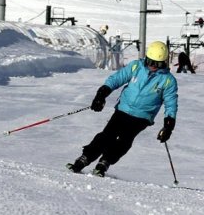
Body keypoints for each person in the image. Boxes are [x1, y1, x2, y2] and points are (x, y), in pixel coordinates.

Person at [66, 41, 178, 177]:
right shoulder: (136, 67)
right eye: (150, 62)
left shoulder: (168, 80)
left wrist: (168, 125)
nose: (152, 66)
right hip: (122, 109)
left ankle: (105, 162)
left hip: (142, 116)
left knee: (125, 139)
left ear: (164, 63)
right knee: (107, 135)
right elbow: (117, 79)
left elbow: (171, 103)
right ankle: (85, 158)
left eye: (157, 64)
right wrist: (101, 94)